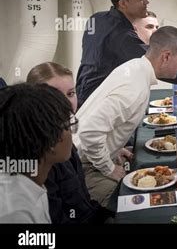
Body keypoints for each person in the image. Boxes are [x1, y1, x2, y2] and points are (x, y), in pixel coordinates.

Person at [74, 26, 177, 206]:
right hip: (83, 166)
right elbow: (89, 132)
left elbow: (103, 122)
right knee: (128, 203)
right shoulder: (134, 87)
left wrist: (114, 145)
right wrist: (109, 168)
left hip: (89, 155)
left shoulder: (134, 68)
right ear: (166, 56)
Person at [26, 62, 112, 223]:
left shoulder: (63, 138)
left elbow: (83, 202)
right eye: (54, 95)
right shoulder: (37, 159)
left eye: (70, 93)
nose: (66, 102)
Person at [0, 83, 74, 223]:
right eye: (68, 125)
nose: (71, 132)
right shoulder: (15, 213)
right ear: (51, 140)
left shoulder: (30, 179)